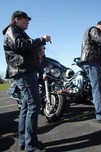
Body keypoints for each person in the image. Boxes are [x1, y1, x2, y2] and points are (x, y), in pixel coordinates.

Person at [3, 10, 51, 152]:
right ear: (16, 19)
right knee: (34, 105)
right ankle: (31, 144)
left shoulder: (18, 31)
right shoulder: (12, 30)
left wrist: (38, 51)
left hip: (25, 71)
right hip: (23, 72)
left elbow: (25, 49)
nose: (28, 21)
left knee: (25, 107)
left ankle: (24, 142)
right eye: (25, 19)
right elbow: (19, 45)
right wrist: (41, 39)